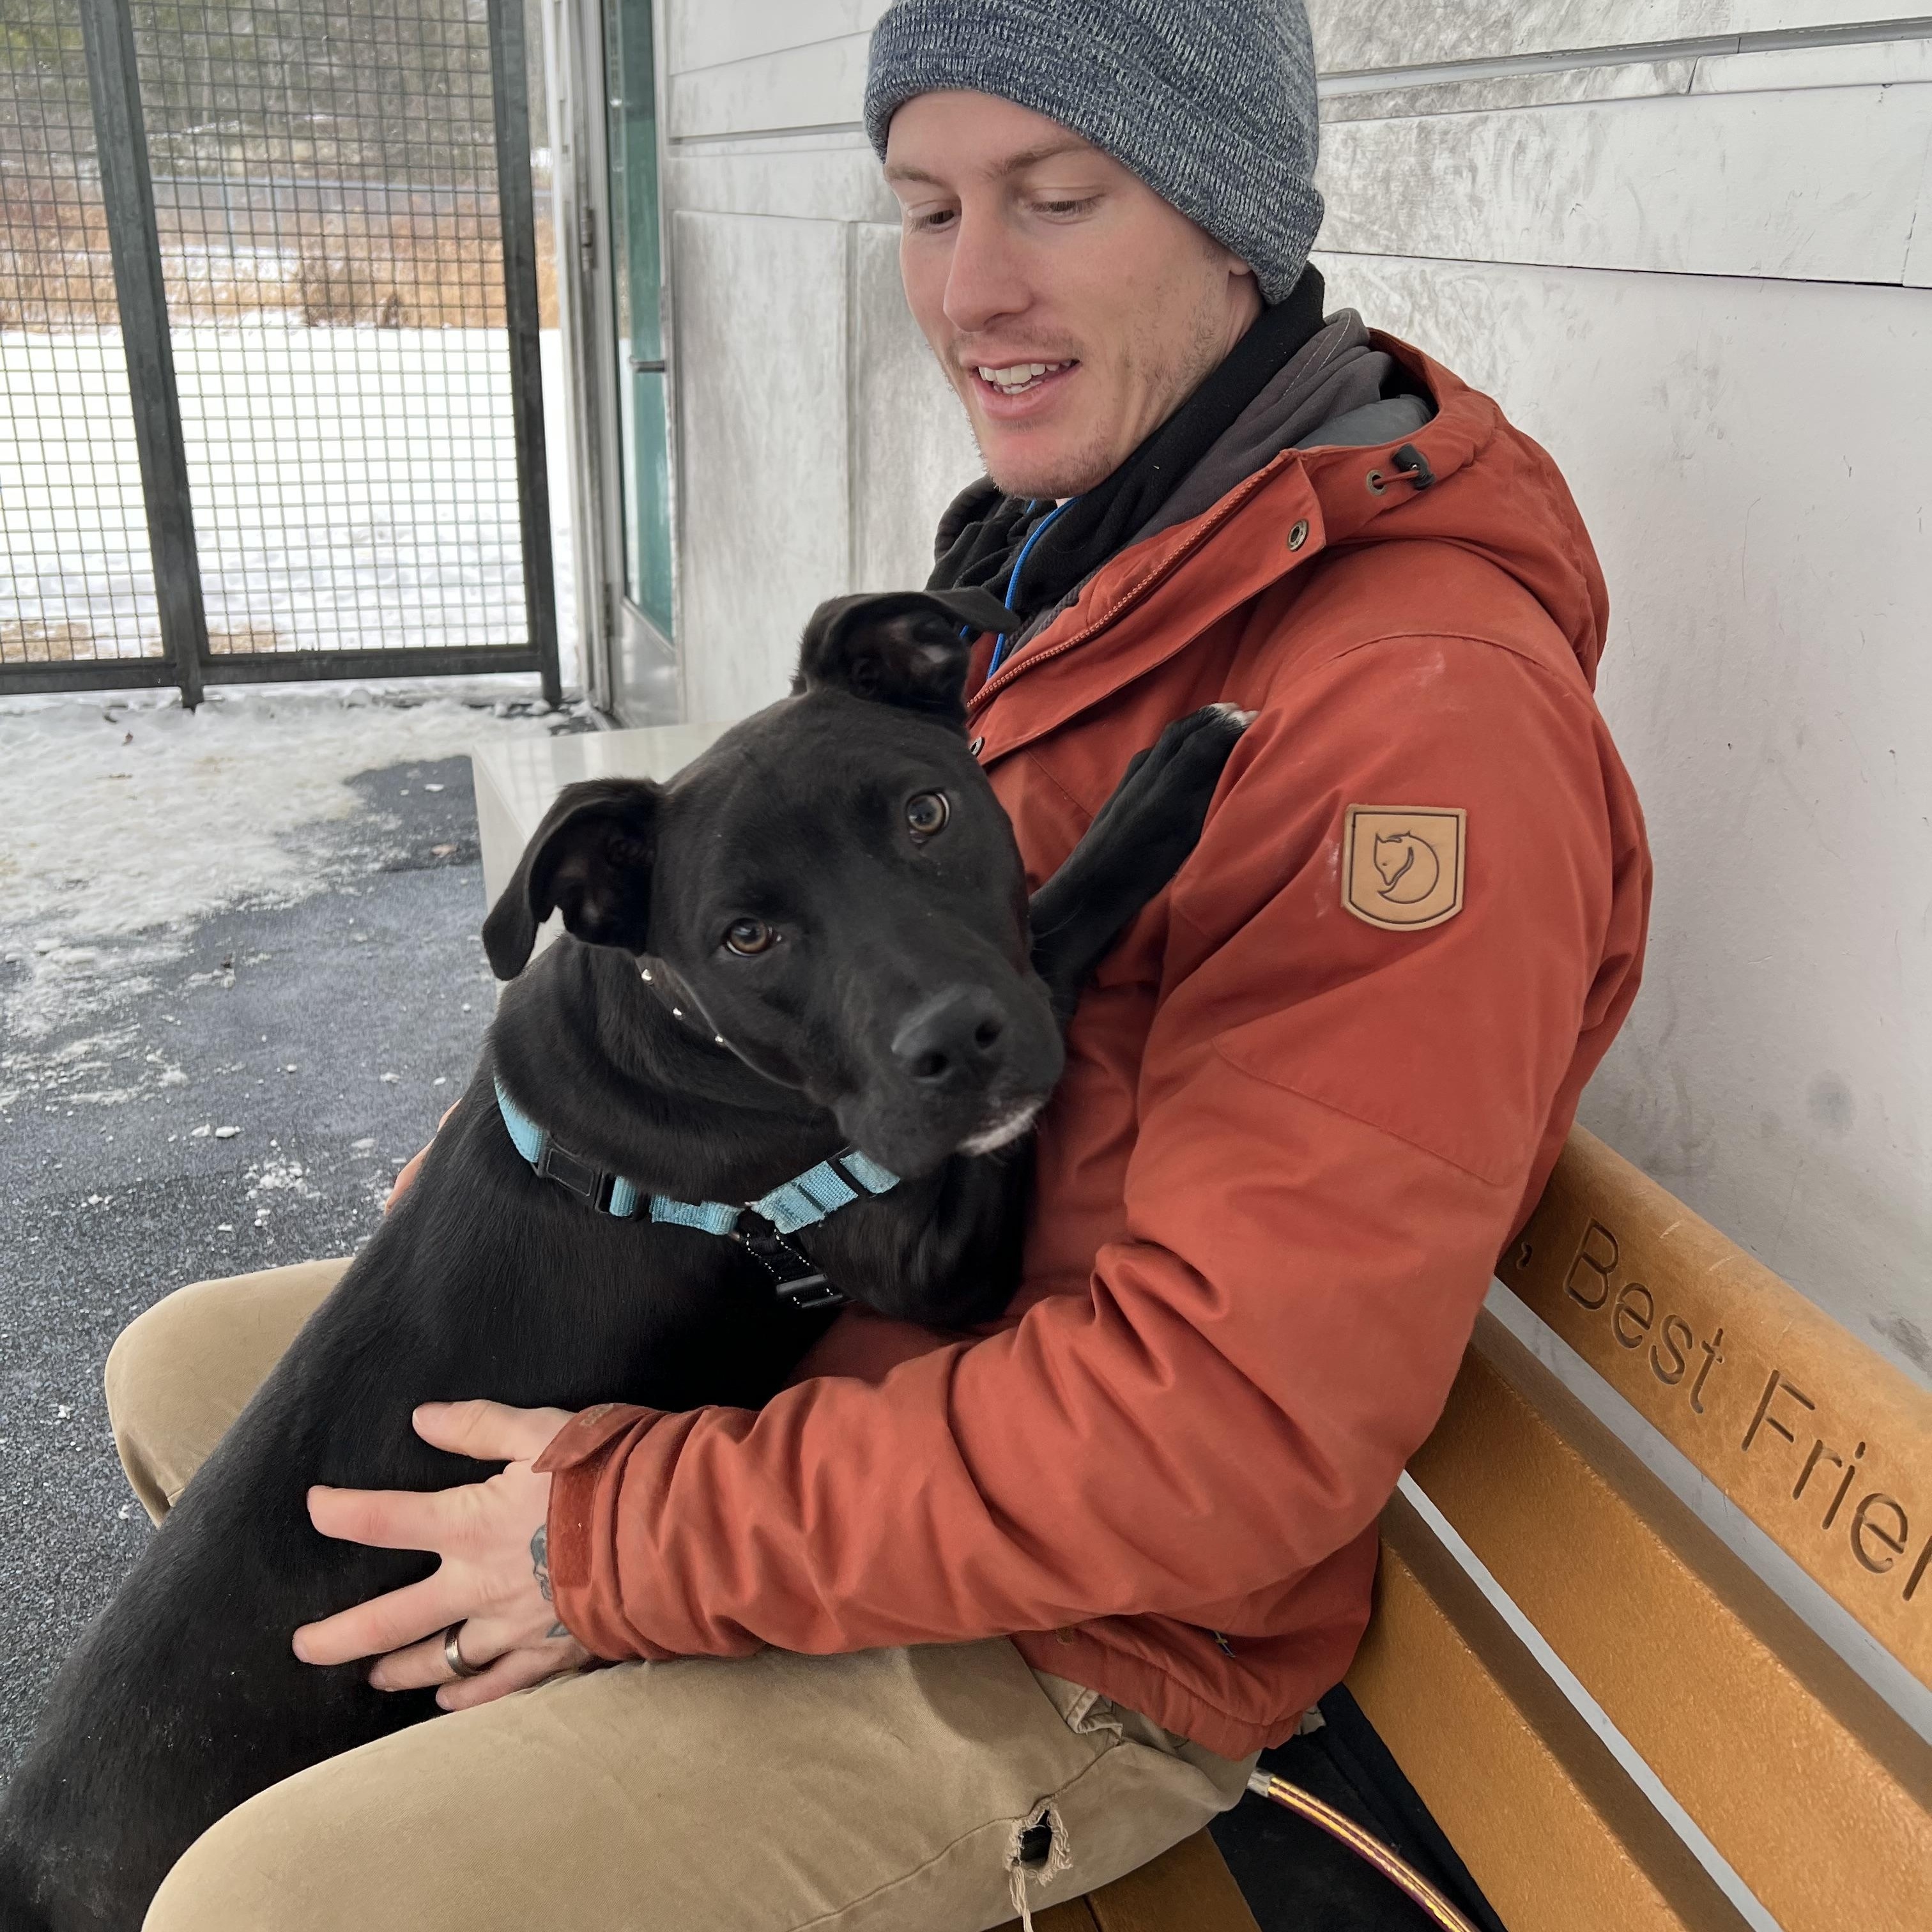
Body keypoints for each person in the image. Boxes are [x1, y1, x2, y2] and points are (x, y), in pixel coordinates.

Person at [110, 1, 1650, 1926]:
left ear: (1234, 218)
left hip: (1078, 1641)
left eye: (1055, 196)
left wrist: (620, 1547)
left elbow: (1229, 1439)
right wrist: (535, 1140)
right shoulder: (1071, 562)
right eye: (925, 210)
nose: (974, 287)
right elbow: (789, 956)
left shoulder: (1413, 720)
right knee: (185, 1373)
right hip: (823, 1380)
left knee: (265, 1905)